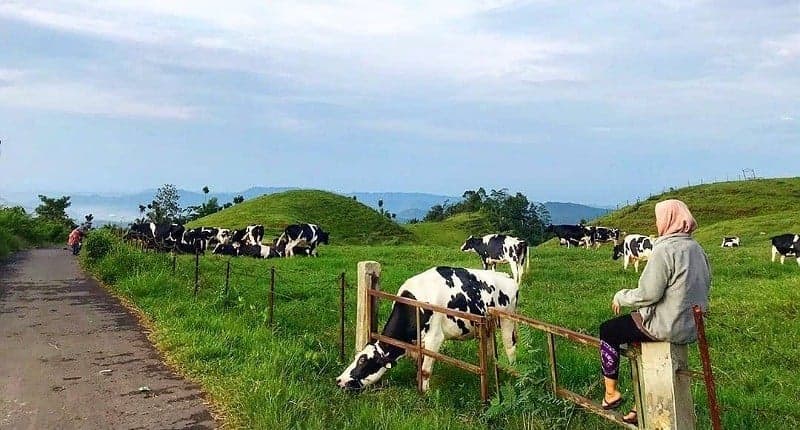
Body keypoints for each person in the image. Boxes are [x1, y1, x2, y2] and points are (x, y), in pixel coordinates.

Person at [599, 199, 711, 424]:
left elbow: (648, 293)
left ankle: (611, 394)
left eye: (659, 217)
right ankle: (639, 407)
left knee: (609, 330)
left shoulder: (665, 249)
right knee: (639, 342)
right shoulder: (696, 248)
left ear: (668, 220)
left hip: (666, 324)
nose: (656, 222)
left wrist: (621, 295)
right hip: (691, 326)